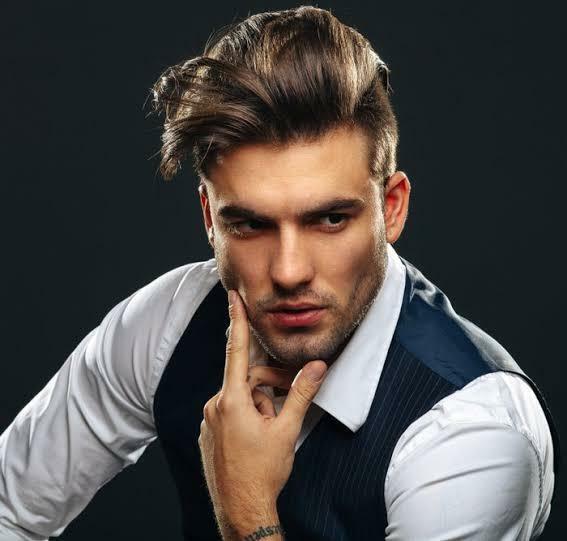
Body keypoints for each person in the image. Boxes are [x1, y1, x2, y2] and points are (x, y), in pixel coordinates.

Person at [0, 5, 560, 541]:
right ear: (210, 219)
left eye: (330, 219)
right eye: (249, 224)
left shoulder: (471, 434)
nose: (289, 272)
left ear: (390, 209)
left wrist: (247, 511)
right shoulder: (168, 326)